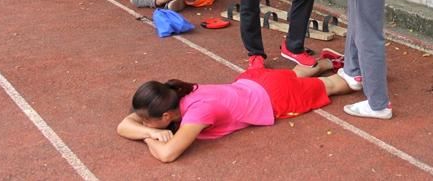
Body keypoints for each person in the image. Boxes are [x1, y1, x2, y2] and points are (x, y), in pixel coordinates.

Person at [116, 51, 352, 163]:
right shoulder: (174, 94)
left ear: (167, 116)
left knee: (332, 85)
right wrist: (152, 131)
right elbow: (124, 125)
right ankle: (327, 61)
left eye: (147, 120)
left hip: (274, 97)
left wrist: (148, 137)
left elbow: (167, 154)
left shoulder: (197, 112)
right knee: (294, 74)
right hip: (252, 80)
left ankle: (361, 73)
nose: (142, 122)